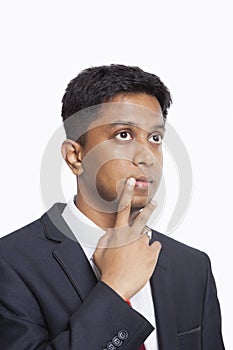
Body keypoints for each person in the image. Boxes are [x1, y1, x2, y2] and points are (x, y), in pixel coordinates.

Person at [0, 64, 225, 350]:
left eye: (155, 138)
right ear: (75, 156)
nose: (146, 156)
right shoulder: (9, 264)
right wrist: (115, 290)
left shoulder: (192, 267)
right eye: (123, 135)